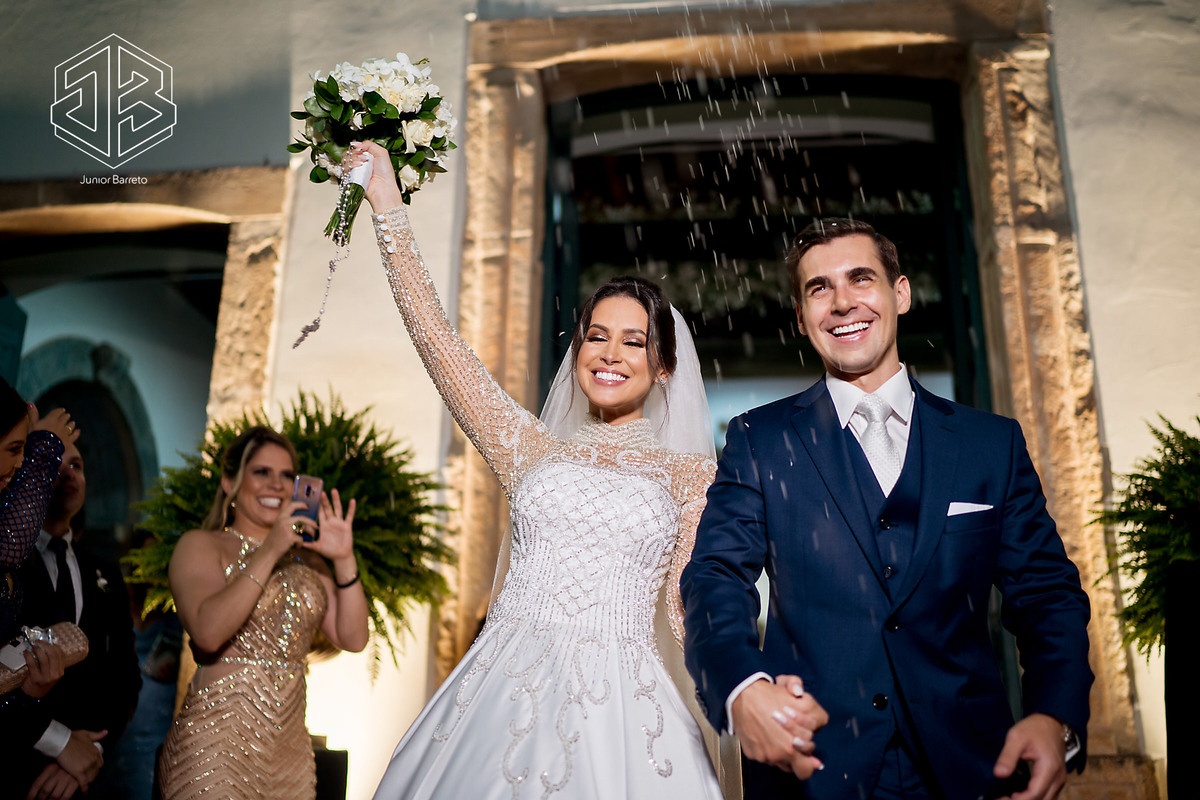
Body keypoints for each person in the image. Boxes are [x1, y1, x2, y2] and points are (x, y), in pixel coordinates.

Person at [347, 140, 737, 799]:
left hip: (626, 710)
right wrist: (386, 201)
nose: (610, 353)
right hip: (499, 687)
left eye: (634, 341)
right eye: (596, 336)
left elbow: (690, 608)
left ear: (664, 367)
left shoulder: (689, 476)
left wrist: (742, 686)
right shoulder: (529, 447)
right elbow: (437, 341)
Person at [681, 218, 1094, 800]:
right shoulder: (759, 439)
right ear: (800, 317)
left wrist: (1055, 715)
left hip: (971, 766)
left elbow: (1047, 595)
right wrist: (742, 687)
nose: (842, 302)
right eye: (819, 288)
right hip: (812, 765)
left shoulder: (989, 443)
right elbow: (715, 577)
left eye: (860, 278)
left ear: (900, 293)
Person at [156, 425, 368, 800]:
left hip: (290, 756)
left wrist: (343, 558)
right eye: (261, 472)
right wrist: (269, 549)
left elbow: (353, 638)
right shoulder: (201, 545)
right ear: (229, 482)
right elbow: (208, 633)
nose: (276, 485)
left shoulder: (310, 562)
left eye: (287, 475)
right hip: (215, 748)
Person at [14, 432, 142, 800]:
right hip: (16, 761)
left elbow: (126, 679)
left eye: (77, 465)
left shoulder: (105, 572)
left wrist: (91, 750)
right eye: (55, 464)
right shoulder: (11, 563)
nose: (68, 473)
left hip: (83, 777)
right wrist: (59, 744)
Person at [0, 380, 106, 798]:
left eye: (24, 451)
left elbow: (117, 680)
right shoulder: (14, 545)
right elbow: (10, 544)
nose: (21, 464)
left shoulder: (103, 570)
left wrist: (29, 692)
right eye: (14, 450)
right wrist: (42, 446)